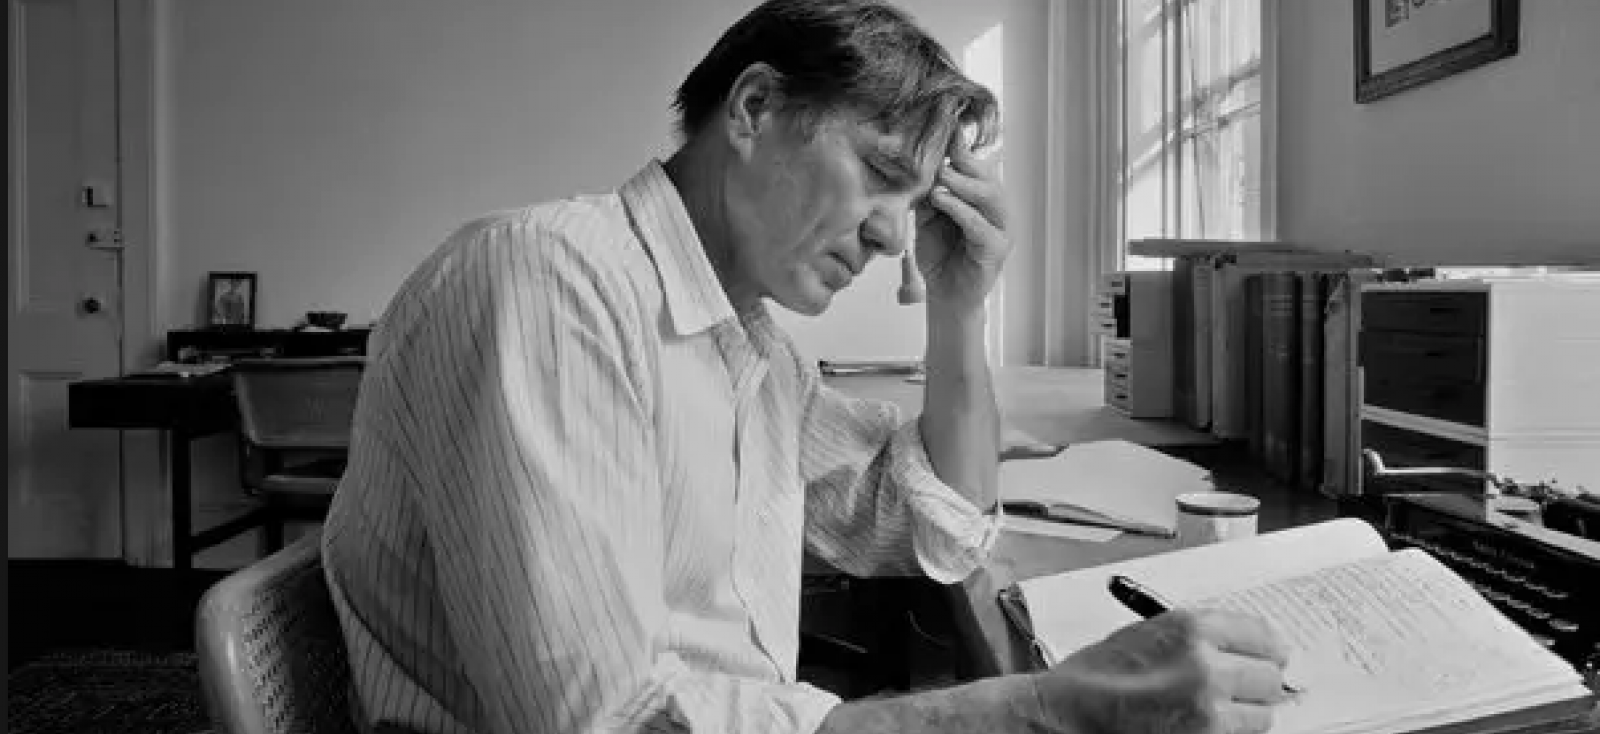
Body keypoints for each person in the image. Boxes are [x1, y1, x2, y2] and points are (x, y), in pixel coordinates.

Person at [320, 2, 1293, 733]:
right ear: (753, 107)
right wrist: (1044, 706)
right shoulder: (551, 280)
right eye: (877, 171)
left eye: (912, 204)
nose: (888, 235)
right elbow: (602, 717)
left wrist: (959, 312)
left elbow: (933, 526)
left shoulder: (752, 349)